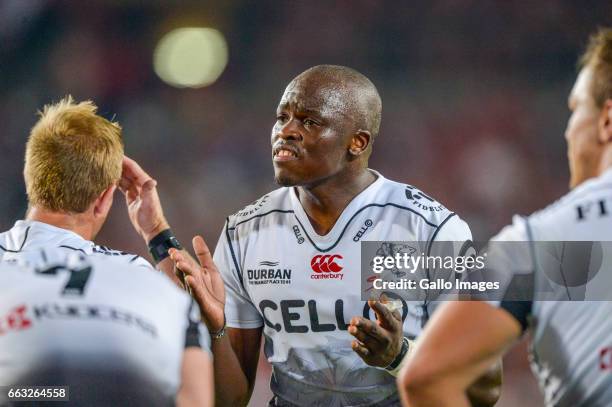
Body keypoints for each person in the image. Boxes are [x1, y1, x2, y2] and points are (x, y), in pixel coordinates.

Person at [160, 65, 499, 406]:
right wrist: (216, 329)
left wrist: (400, 356)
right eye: (282, 117)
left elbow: (485, 388)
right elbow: (228, 401)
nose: (286, 132)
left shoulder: (429, 229)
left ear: (357, 142)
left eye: (309, 122)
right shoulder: (245, 233)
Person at [399, 28, 612, 407]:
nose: (567, 131)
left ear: (606, 119)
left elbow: (427, 377)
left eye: (576, 109)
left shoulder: (539, 243)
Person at [0, 96, 212, 406]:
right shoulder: (141, 276)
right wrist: (156, 230)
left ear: (29, 176)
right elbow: (190, 326)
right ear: (103, 199)